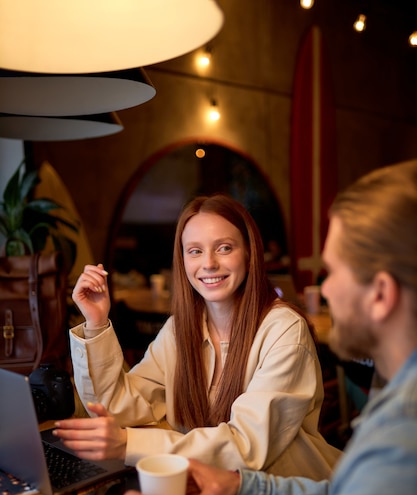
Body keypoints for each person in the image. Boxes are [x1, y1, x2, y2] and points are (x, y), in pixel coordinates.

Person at [103, 161, 417, 495]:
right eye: (194, 251)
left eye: (331, 271)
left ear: (381, 293)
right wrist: (244, 487)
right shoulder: (396, 412)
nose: (323, 287)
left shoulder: (401, 440)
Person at [54, 193, 339, 479]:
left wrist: (128, 444)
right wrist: (96, 321)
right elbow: (117, 408)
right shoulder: (181, 330)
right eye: (195, 251)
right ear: (183, 260)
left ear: (250, 253)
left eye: (224, 248)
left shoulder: (284, 331)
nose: (209, 263)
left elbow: (244, 447)